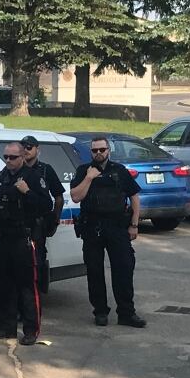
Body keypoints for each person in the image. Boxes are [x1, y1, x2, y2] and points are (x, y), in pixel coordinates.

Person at [70, 136, 146, 328]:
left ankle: (127, 313)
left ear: (108, 150)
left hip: (117, 227)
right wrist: (89, 177)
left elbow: (134, 197)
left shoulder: (119, 171)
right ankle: (100, 312)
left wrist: (134, 224)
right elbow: (76, 197)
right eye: (94, 150)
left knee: (123, 270)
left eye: (102, 150)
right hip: (92, 228)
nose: (98, 153)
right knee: (94, 272)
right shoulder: (83, 171)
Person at [0, 141, 53, 345]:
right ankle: (7, 327)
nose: (8, 160)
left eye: (12, 157)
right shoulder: (2, 176)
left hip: (24, 238)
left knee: (27, 286)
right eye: (5, 157)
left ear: (23, 157)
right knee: (5, 284)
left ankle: (31, 330)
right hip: (3, 237)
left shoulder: (33, 177)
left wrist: (27, 192)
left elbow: (46, 205)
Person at [20, 135, 66, 290]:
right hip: (19, 221)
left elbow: (58, 196)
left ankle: (35, 296)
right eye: (23, 147)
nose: (25, 150)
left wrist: (55, 219)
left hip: (38, 223)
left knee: (37, 260)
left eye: (29, 147)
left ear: (37, 150)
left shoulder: (46, 170)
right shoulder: (15, 168)